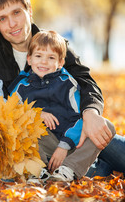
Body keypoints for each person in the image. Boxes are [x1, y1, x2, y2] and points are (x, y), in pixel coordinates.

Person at [0, 0, 125, 177]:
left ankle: (97, 161)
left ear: (29, 12)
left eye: (16, 13)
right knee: (100, 170)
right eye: (2, 19)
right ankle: (96, 165)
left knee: (101, 130)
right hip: (40, 143)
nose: (12, 23)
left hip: (74, 128)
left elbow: (85, 81)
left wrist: (90, 112)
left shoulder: (55, 44)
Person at [8, 31, 115, 182]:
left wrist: (64, 146)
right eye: (38, 56)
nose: (43, 62)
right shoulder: (20, 87)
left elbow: (79, 118)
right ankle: (38, 171)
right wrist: (35, 114)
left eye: (51, 58)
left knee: (107, 125)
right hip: (41, 146)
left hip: (71, 145)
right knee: (23, 126)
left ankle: (66, 171)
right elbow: (11, 113)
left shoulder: (68, 84)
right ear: (29, 59)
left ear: (60, 62)